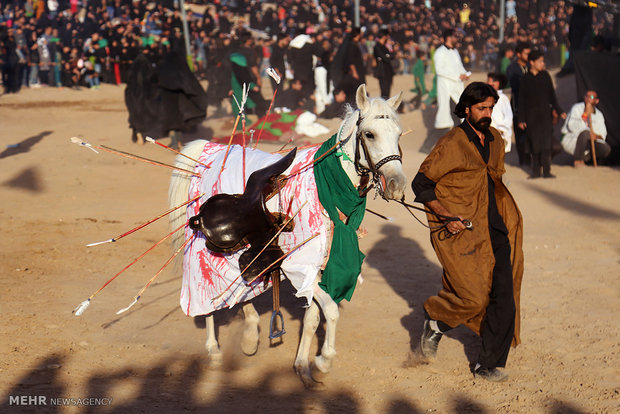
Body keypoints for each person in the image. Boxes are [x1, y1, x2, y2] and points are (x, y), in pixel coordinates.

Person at [411, 82, 524, 382]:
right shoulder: (451, 143)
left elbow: (494, 180)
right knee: (473, 297)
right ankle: (437, 320)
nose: (487, 114)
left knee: (505, 296)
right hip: (463, 230)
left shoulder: (496, 140)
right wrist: (446, 216)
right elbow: (421, 184)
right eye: (481, 109)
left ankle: (487, 365)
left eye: (490, 108)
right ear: (466, 109)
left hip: (497, 228)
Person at [518, 50, 566, 179]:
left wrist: (559, 110)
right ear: (532, 62)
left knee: (546, 143)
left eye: (543, 61)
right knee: (535, 144)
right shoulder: (525, 79)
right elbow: (521, 100)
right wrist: (521, 119)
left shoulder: (545, 76)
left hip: (545, 114)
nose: (542, 64)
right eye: (540, 61)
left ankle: (546, 171)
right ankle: (535, 172)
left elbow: (552, 96)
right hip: (531, 115)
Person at [561, 90, 610, 167]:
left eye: (591, 97)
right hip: (573, 138)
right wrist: (585, 114)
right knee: (585, 132)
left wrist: (595, 136)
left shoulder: (599, 115)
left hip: (590, 142)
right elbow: (572, 126)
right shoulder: (577, 108)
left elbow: (603, 133)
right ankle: (578, 161)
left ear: (596, 101)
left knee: (605, 149)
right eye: (586, 96)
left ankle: (588, 161)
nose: (588, 99)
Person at [433, 28, 470, 130]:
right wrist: (457, 76)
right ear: (448, 38)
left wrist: (464, 74)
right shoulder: (439, 52)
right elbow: (439, 70)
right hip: (447, 89)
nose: (457, 38)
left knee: (458, 118)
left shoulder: (455, 52)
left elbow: (459, 66)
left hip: (457, 88)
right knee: (452, 119)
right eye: (455, 36)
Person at [506, 41, 530, 165]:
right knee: (519, 134)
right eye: (526, 54)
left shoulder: (531, 66)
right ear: (519, 54)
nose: (528, 56)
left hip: (531, 106)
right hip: (517, 106)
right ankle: (523, 161)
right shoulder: (512, 68)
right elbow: (515, 86)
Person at [487, 72, 513, 152]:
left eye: (491, 81)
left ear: (497, 83)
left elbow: (508, 116)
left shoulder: (502, 98)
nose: (488, 83)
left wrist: (501, 129)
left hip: (499, 133)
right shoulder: (485, 98)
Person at [373, 29, 395, 99]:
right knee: (384, 92)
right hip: (382, 72)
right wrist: (387, 56)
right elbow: (385, 57)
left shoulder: (384, 47)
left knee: (388, 91)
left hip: (388, 71)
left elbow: (391, 55)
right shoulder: (377, 46)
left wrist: (388, 56)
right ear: (384, 36)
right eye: (387, 36)